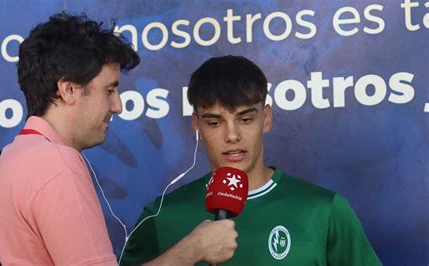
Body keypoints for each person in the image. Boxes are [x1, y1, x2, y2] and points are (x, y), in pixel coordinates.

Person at [0, 13, 237, 266]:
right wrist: (194, 248)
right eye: (109, 90)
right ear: (69, 90)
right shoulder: (56, 164)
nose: (117, 105)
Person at [122, 55, 382, 265]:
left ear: (266, 119)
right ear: (197, 126)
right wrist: (188, 252)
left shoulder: (325, 210)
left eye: (245, 119)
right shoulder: (162, 216)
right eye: (214, 122)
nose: (232, 135)